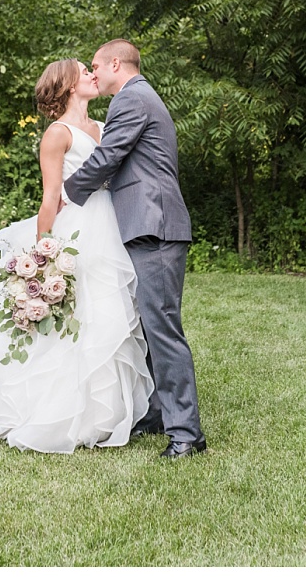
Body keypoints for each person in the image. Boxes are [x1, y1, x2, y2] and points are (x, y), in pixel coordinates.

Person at [0, 58, 153, 453]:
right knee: (73, 315)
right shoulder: (56, 134)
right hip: (76, 228)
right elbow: (51, 195)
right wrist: (43, 249)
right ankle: (57, 411)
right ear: (67, 85)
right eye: (84, 70)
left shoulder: (103, 128)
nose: (91, 73)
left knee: (106, 313)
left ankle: (106, 414)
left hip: (111, 227)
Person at [62, 39, 206, 459]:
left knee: (161, 325)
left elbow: (109, 156)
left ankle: (186, 434)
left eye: (95, 66)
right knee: (148, 322)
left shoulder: (131, 100)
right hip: (148, 224)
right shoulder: (140, 97)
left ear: (115, 64)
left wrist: (66, 195)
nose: (93, 73)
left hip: (155, 225)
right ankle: (159, 413)